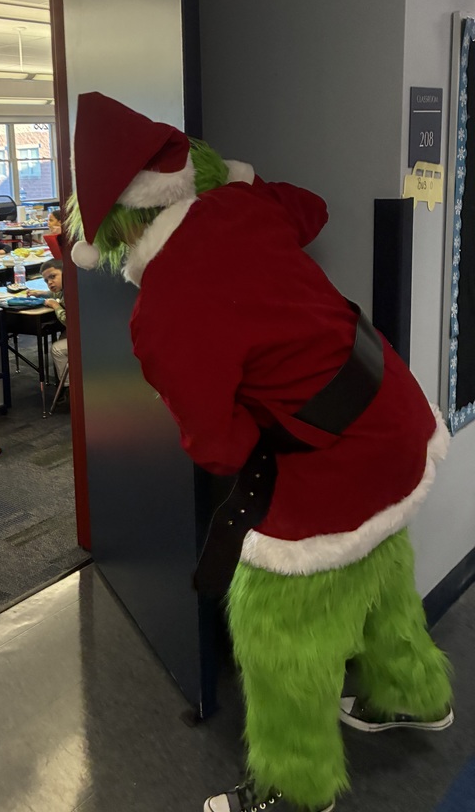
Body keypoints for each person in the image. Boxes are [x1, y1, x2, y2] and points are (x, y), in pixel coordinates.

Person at [68, 92, 452, 812]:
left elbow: (216, 445)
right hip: (395, 410)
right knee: (381, 560)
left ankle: (294, 788)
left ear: (114, 230)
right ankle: (410, 694)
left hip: (333, 453)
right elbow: (312, 208)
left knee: (275, 625)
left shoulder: (164, 308)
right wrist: (239, 183)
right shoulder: (248, 209)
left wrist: (269, 448)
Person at [27, 258, 67, 384]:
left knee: (57, 349)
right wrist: (41, 294)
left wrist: (55, 306)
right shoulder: (67, 288)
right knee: (63, 337)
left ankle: (67, 390)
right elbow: (56, 294)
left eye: (53, 276)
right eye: (46, 281)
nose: (50, 282)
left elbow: (67, 321)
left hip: (91, 335)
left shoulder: (71, 293)